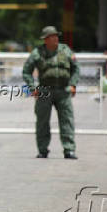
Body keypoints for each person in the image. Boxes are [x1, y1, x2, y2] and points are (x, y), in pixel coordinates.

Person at [22, 26, 80, 159]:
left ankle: (69, 149)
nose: (55, 38)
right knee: (42, 122)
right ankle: (42, 150)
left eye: (56, 36)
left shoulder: (65, 50)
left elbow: (76, 68)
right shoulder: (38, 52)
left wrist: (73, 84)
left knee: (67, 120)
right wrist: (33, 88)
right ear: (45, 39)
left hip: (64, 90)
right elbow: (26, 71)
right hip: (45, 90)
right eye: (51, 36)